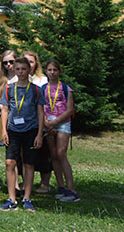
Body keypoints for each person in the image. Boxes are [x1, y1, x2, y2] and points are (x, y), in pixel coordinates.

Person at [0, 56, 46, 211]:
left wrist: (39, 134)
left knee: (28, 164)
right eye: (18, 69)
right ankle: (11, 198)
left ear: (29, 70)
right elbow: (5, 110)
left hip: (31, 130)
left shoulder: (35, 90)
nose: (20, 72)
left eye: (23, 69)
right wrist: (4, 130)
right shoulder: (9, 88)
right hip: (13, 130)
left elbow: (40, 113)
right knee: (10, 162)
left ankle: (27, 198)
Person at [42, 59, 80, 202]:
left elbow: (70, 109)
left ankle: (72, 189)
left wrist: (55, 122)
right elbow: (41, 107)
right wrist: (46, 122)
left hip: (62, 123)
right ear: (46, 71)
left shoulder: (66, 88)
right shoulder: (43, 88)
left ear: (59, 72)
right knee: (54, 156)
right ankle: (61, 186)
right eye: (49, 70)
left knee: (61, 153)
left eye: (55, 70)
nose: (52, 73)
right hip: (48, 123)